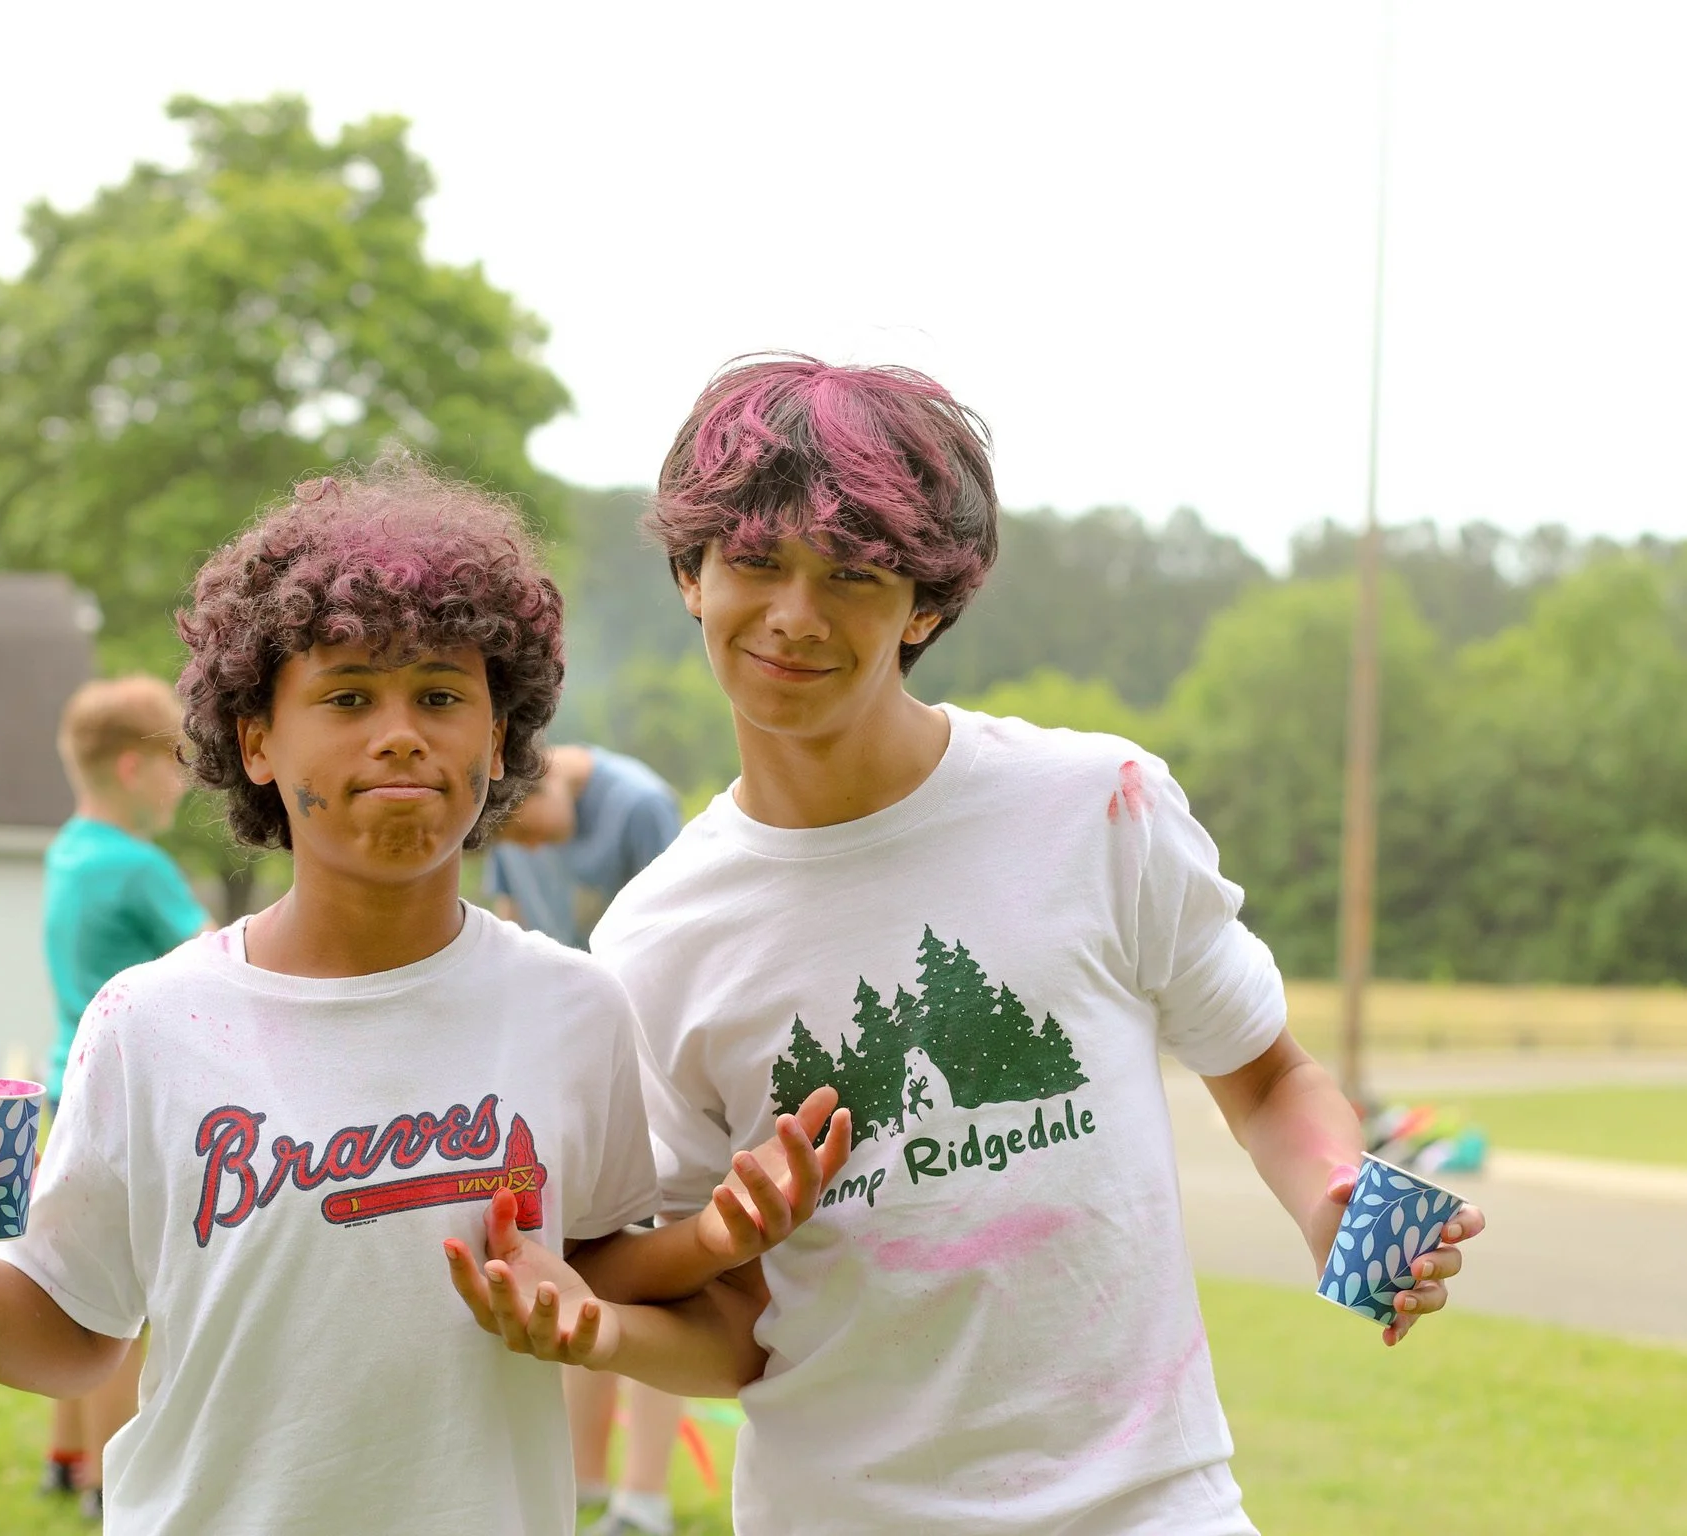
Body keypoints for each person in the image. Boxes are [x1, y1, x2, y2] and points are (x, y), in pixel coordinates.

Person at [458, 357, 1489, 1535]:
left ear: (929, 605)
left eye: (853, 574)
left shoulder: (1100, 807)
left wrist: (1333, 1199)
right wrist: (609, 1329)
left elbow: (1268, 1076)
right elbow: (735, 1327)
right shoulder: (653, 940)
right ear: (692, 576)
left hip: (1156, 1509)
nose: (795, 614)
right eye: (755, 561)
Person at [0, 461, 840, 1534]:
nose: (400, 733)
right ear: (257, 742)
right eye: (345, 697)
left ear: (500, 738)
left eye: (439, 696)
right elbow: (73, 1331)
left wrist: (712, 1239)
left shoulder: (574, 1009)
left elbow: (595, 1266)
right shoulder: (148, 1024)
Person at [486, 747, 686, 1536]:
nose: (533, 853)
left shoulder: (639, 806)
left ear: (557, 780)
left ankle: (646, 1500)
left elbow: (681, 936)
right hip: (558, 1058)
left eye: (536, 836)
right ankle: (587, 1487)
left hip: (645, 1057)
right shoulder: (503, 803)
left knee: (650, 1277)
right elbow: (505, 923)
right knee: (579, 1265)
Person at [38, 674, 210, 1520]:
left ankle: (65, 1453)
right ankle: (110, 1483)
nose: (184, 782)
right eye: (177, 763)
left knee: (69, 1278)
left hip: (63, 1081)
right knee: (121, 1311)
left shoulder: (68, 849)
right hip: (131, 1100)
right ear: (136, 766)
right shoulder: (138, 868)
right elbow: (214, 960)